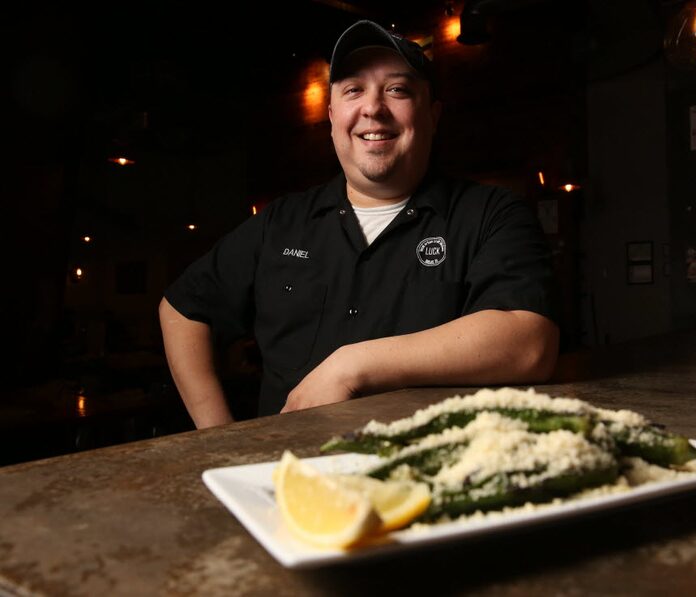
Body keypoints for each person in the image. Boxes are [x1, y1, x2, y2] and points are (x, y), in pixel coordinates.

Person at [159, 20, 560, 428]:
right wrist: (216, 437)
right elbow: (181, 310)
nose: (373, 108)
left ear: (433, 114)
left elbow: (528, 343)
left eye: (397, 90)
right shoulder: (280, 222)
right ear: (333, 116)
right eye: (353, 90)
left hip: (424, 479)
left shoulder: (492, 213)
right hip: (288, 478)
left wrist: (351, 366)